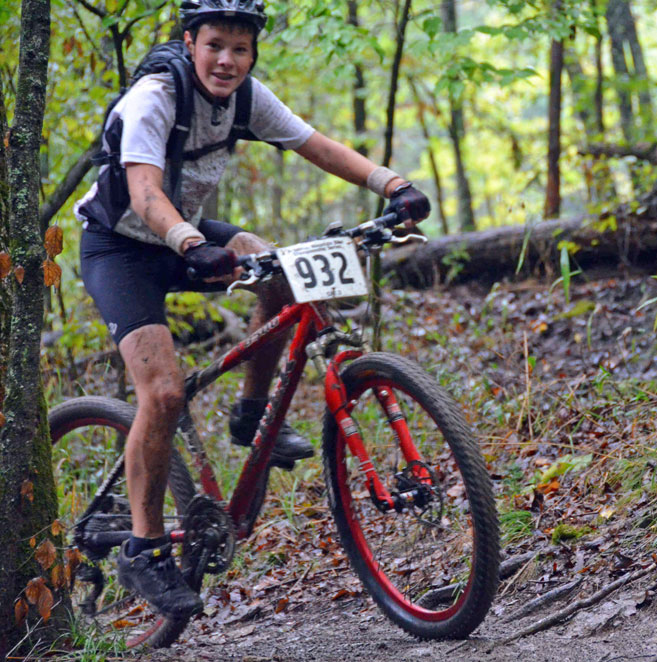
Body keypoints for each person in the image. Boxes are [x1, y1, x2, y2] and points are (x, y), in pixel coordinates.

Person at [72, 0, 430, 618]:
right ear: (190, 42)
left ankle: (251, 412)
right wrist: (191, 243)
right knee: (162, 394)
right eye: (215, 45)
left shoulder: (245, 96)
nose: (227, 61)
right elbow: (144, 190)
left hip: (189, 233)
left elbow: (315, 144)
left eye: (240, 49)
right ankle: (143, 548)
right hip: (122, 246)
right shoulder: (156, 95)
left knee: (282, 269)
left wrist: (391, 184)